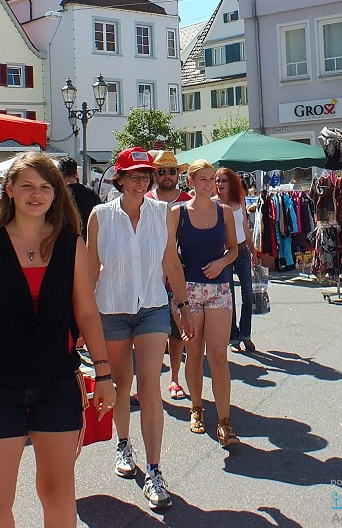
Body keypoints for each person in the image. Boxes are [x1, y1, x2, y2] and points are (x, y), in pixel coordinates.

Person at [0, 152, 114, 528]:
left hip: (58, 384)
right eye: (27, 185)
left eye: (45, 187)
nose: (36, 194)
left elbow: (88, 313)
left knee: (58, 496)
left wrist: (105, 374)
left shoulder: (71, 245)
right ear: (9, 189)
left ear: (56, 194)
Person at [86, 147, 195, 510]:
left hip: (152, 307)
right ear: (118, 178)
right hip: (111, 309)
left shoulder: (163, 213)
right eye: (134, 175)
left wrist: (182, 305)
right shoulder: (100, 216)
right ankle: (122, 444)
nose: (142, 180)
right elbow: (89, 270)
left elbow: (171, 263)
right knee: (120, 385)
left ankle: (154, 470)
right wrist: (78, 317)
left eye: (145, 175)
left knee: (150, 386)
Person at [178, 160, 241, 446]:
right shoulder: (177, 213)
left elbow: (233, 249)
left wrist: (220, 263)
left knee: (218, 355)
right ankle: (196, 408)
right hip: (190, 289)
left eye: (211, 179)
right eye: (202, 179)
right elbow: (169, 256)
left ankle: (225, 421)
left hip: (219, 288)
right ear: (191, 182)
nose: (208, 184)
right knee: (193, 353)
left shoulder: (224, 211)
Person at [146, 150, 192, 401]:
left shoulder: (188, 201)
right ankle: (148, 385)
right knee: (149, 333)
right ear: (154, 174)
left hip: (179, 276)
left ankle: (174, 379)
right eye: (161, 171)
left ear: (178, 174)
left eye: (171, 171)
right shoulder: (145, 200)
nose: (166, 176)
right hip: (150, 276)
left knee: (177, 331)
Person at [217, 166, 256, 355]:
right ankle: (233, 337)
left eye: (224, 180)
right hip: (224, 254)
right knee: (229, 297)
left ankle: (245, 333)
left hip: (241, 250)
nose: (220, 184)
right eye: (218, 180)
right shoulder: (213, 203)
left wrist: (253, 251)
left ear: (231, 182)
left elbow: (245, 227)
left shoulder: (239, 200)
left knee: (248, 295)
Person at [56, 157, 100, 239]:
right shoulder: (90, 192)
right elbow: (100, 217)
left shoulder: (57, 194)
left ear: (59, 174)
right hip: (88, 240)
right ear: (76, 172)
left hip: (63, 241)